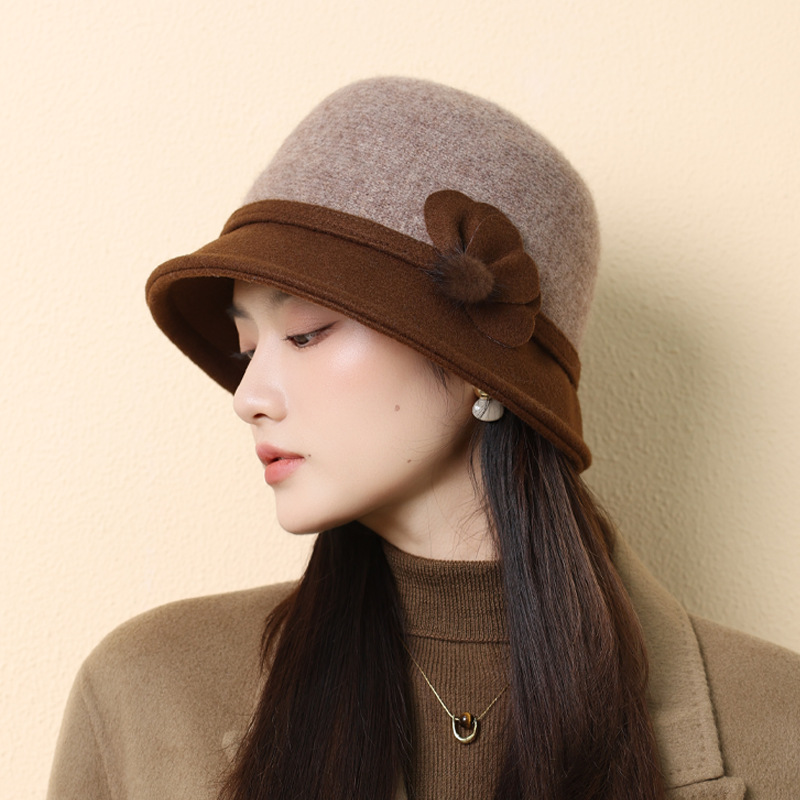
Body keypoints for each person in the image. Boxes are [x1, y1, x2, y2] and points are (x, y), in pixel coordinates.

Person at [47, 77, 800, 800]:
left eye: (305, 333)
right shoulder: (145, 695)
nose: (248, 398)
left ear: (478, 370)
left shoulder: (777, 722)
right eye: (247, 350)